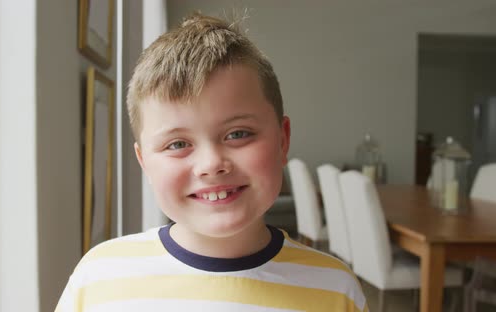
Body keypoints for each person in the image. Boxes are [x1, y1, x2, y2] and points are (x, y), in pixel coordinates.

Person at [56, 12, 368, 312]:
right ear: (145, 163)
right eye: (177, 144)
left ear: (282, 140)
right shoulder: (98, 277)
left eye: (238, 134)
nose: (211, 164)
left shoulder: (337, 289)